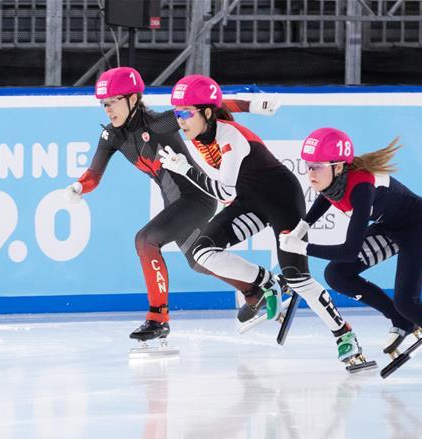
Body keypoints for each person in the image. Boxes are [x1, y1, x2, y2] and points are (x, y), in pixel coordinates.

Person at [157, 75, 371, 368]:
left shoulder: (229, 136)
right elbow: (209, 107)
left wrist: (185, 171)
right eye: (177, 112)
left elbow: (224, 192)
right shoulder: (200, 127)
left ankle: (344, 335)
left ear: (206, 113)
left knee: (297, 278)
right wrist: (249, 104)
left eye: (185, 113)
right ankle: (266, 282)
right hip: (250, 201)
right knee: (200, 252)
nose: (179, 120)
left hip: (281, 199)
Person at [65, 67, 276, 344]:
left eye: (113, 101)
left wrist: (251, 105)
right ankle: (253, 290)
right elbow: (94, 175)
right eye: (104, 103)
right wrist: (80, 186)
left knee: (145, 240)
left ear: (132, 98)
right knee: (197, 262)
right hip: (175, 202)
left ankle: (158, 318)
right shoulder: (112, 136)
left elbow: (205, 107)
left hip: (196, 199)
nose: (108, 109)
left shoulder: (158, 123)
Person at [278, 128, 422, 384]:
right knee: (337, 274)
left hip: (418, 226)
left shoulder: (361, 188)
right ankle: (401, 321)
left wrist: (302, 247)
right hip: (389, 227)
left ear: (339, 167)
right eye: (308, 166)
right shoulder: (332, 181)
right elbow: (324, 200)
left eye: (317, 167)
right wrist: (302, 228)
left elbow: (349, 251)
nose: (310, 173)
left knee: (408, 301)